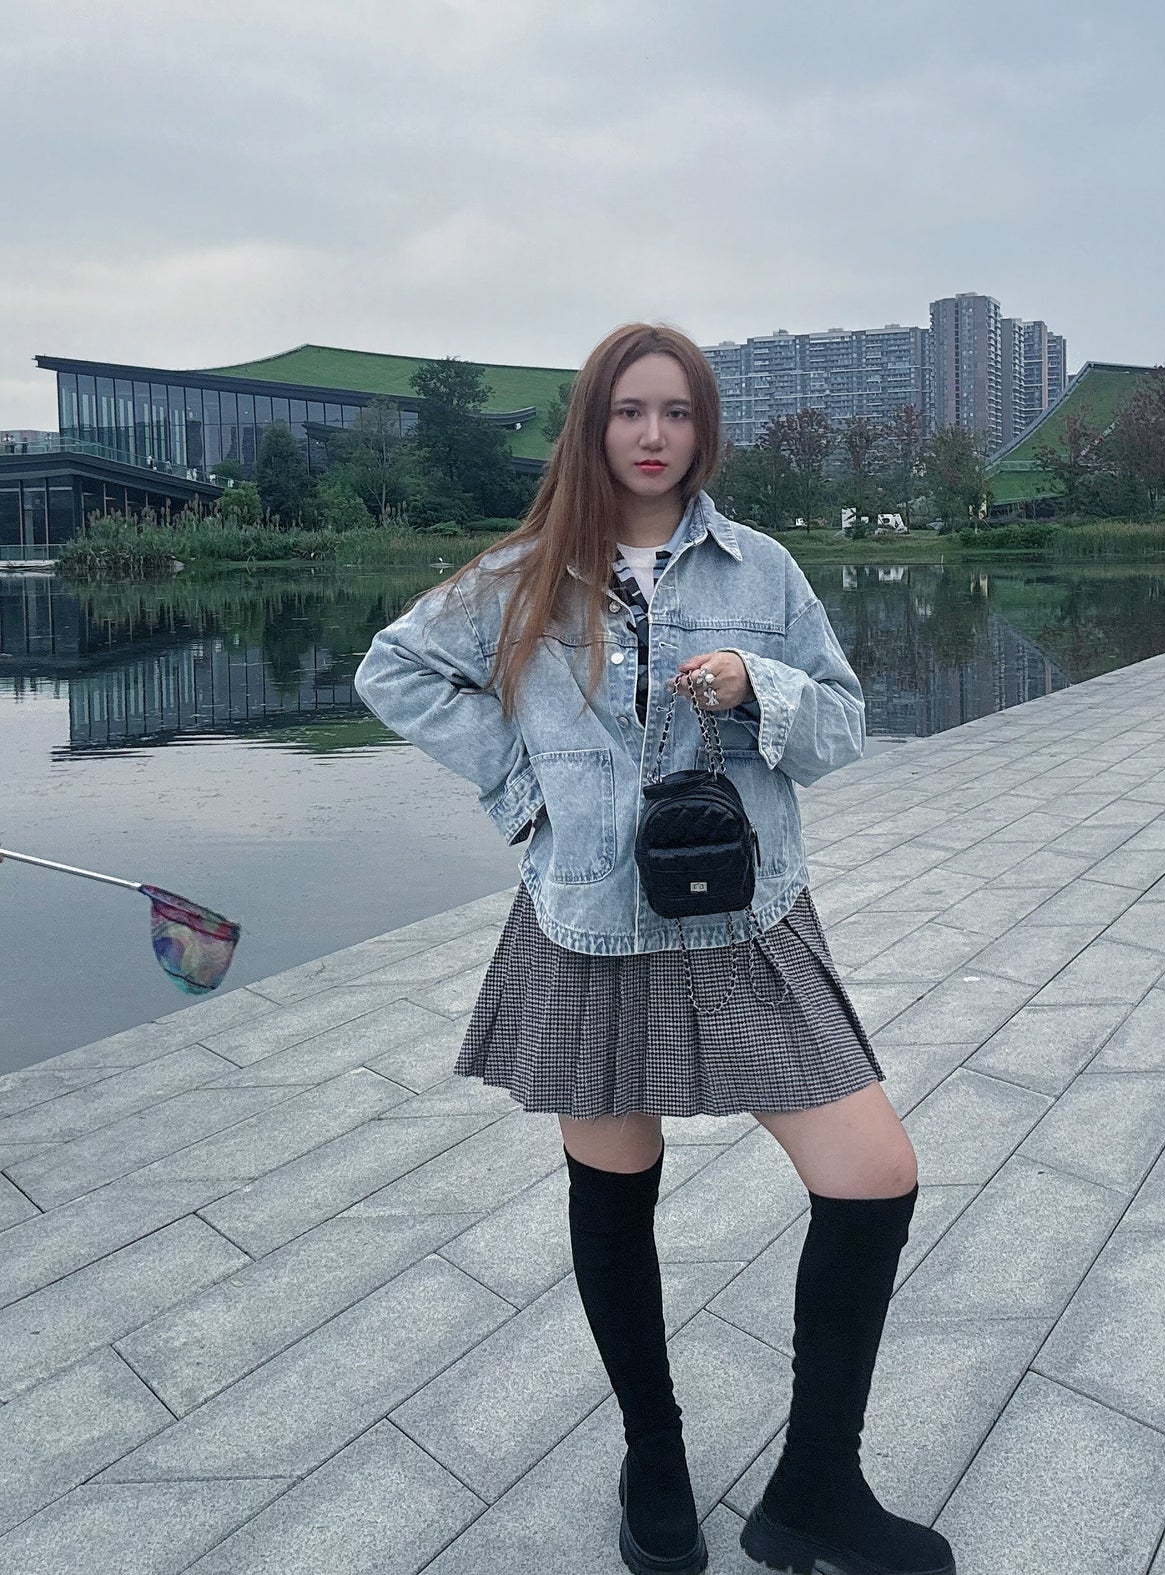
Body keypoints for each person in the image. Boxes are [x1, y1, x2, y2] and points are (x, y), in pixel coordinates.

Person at [354, 323, 953, 1575]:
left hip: (748, 915)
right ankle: (654, 1450)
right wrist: (523, 793)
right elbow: (394, 669)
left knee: (872, 1174)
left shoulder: (764, 570)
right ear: (592, 425)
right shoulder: (521, 575)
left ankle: (815, 1488)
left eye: (675, 412)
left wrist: (758, 691)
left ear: (702, 429)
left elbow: (842, 724)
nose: (650, 434)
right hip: (586, 922)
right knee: (614, 1194)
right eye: (628, 410)